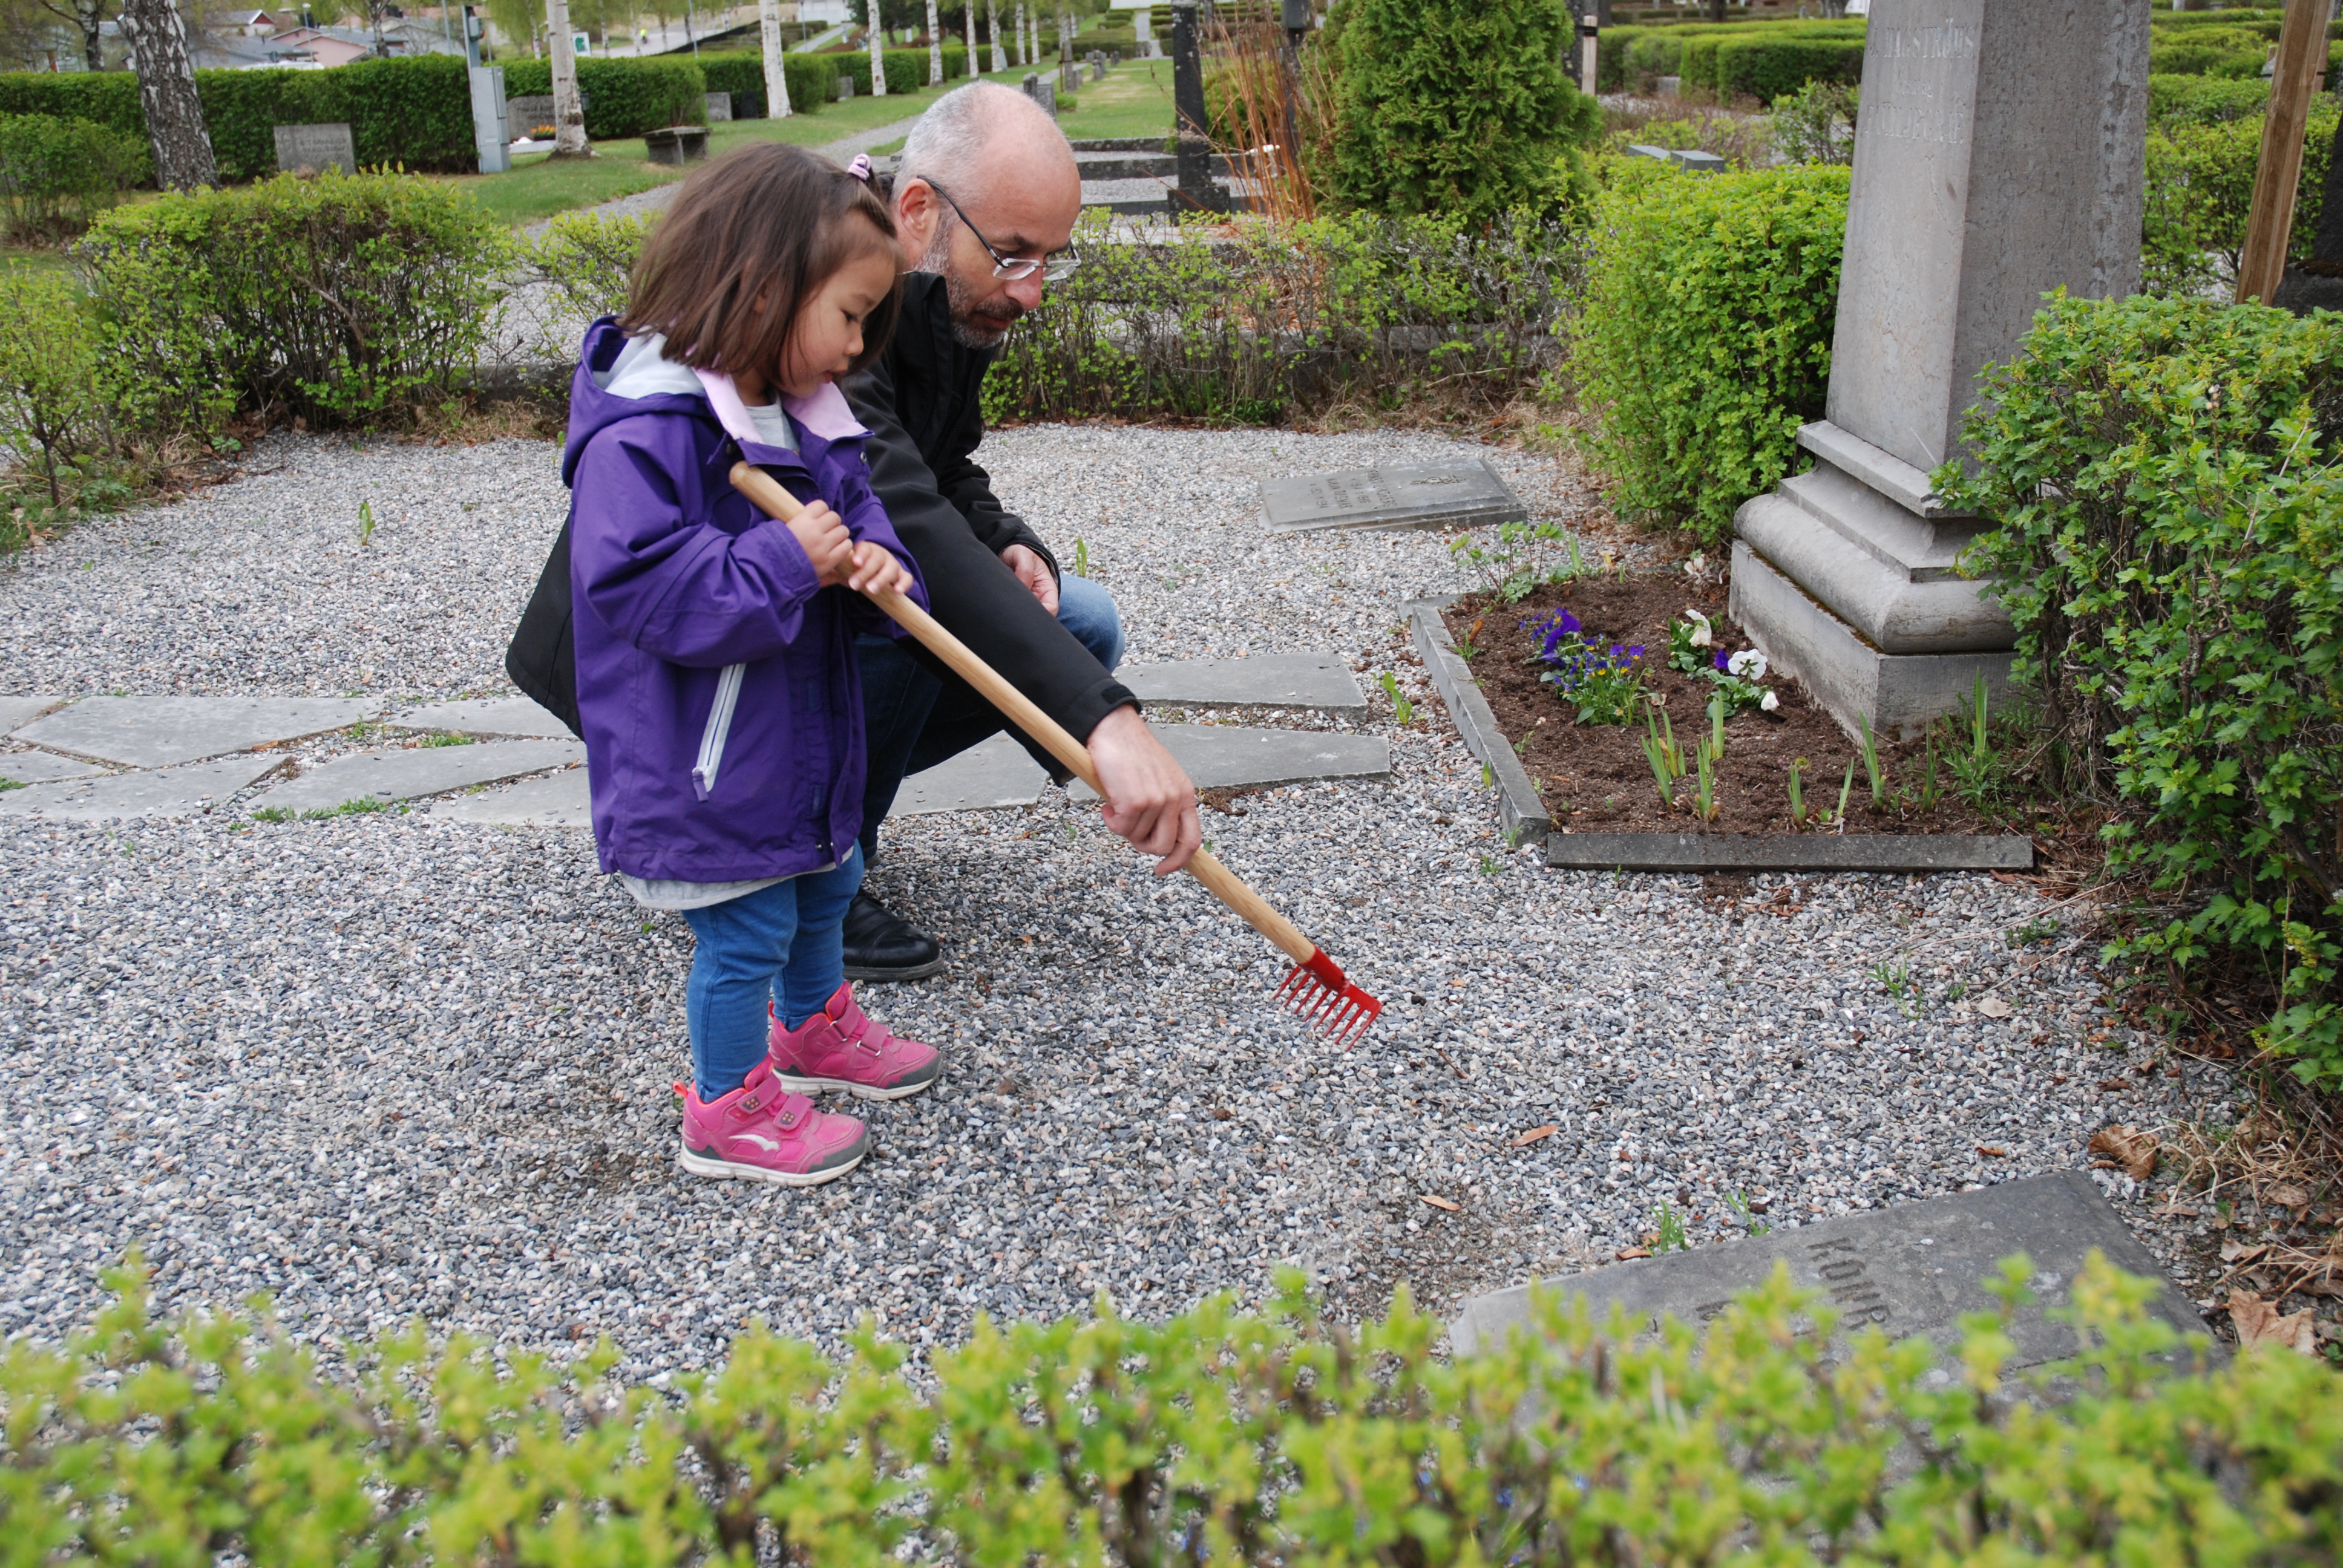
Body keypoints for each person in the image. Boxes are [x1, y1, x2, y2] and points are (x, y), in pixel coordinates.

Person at [562, 144, 943, 1187]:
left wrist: (879, 563)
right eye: (854, 315)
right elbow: (634, 584)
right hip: (706, 757)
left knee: (832, 878)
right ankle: (724, 1109)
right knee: (746, 928)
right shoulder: (647, 427)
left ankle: (812, 1030)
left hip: (801, 737)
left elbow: (860, 511)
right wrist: (785, 557)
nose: (860, 346)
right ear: (768, 291)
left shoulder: (798, 405)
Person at [842, 80, 1203, 981]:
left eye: (1049, 258)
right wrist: (1104, 721)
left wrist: (1013, 544)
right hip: (701, 670)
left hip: (828, 593)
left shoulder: (929, 298)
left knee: (1080, 621)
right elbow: (898, 516)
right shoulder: (823, 304)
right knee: (896, 608)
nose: (1033, 292)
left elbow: (943, 471)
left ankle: (825, 811)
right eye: (1011, 254)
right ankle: (809, 859)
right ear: (919, 210)